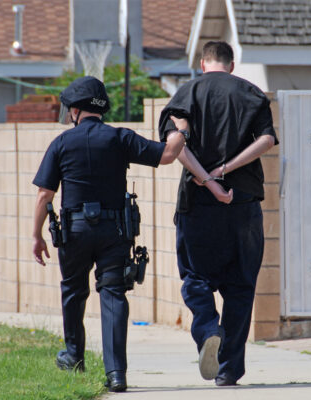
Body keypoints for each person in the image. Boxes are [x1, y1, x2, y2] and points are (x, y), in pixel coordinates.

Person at [32, 76, 188, 392]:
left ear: (75, 110)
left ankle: (74, 356)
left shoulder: (61, 144)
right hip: (114, 230)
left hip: (74, 232)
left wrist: (36, 236)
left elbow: (44, 195)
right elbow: (169, 154)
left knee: (73, 292)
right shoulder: (119, 138)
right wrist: (181, 127)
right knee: (113, 295)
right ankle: (116, 374)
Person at [159, 41, 279, 386]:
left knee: (195, 278)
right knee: (241, 287)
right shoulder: (253, 94)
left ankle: (209, 328)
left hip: (198, 204)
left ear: (202, 63)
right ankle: (228, 370)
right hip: (243, 204)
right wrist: (226, 169)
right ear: (232, 64)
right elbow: (267, 141)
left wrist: (208, 180)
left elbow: (174, 144)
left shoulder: (186, 94)